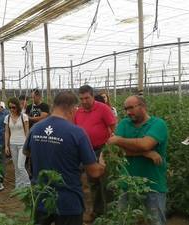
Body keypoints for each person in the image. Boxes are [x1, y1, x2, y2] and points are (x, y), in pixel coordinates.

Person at [23, 91, 106, 225]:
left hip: (40, 197)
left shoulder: (36, 128)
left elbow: (27, 153)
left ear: (53, 106)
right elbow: (94, 171)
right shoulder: (77, 133)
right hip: (68, 202)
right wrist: (102, 163)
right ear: (73, 109)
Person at [107, 95, 168, 225]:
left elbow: (145, 144)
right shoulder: (124, 123)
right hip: (127, 183)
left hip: (153, 185)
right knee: (123, 220)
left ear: (143, 107)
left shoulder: (158, 124)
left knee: (155, 221)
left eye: (131, 108)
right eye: (126, 109)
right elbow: (115, 151)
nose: (128, 112)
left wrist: (119, 140)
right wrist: (145, 153)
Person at [74, 85, 116, 219]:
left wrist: (110, 147)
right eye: (81, 99)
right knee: (93, 183)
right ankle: (98, 212)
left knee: (106, 183)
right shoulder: (78, 112)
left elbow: (114, 127)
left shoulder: (103, 108)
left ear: (92, 96)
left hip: (103, 150)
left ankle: (110, 213)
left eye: (87, 98)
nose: (84, 101)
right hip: (87, 152)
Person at [4, 97, 30, 188]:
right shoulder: (7, 118)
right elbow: (7, 132)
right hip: (12, 144)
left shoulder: (24, 116)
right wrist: (6, 146)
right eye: (10, 107)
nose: (12, 109)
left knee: (21, 166)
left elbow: (27, 131)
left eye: (14, 107)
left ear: (18, 107)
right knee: (16, 167)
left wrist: (28, 145)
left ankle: (27, 186)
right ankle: (18, 186)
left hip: (22, 144)